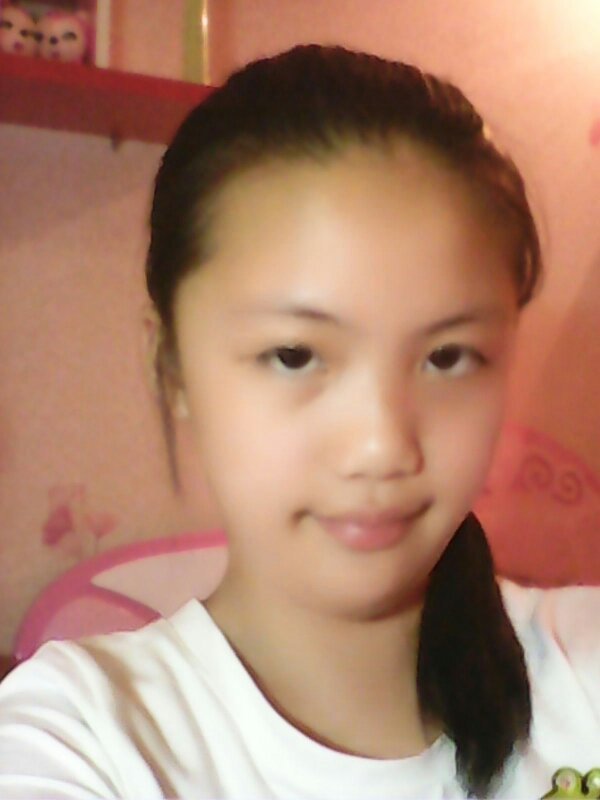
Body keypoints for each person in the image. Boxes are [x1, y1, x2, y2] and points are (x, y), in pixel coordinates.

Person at [0, 44, 598, 800]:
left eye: (448, 357)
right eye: (293, 355)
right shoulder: (81, 737)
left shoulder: (583, 660)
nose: (381, 446)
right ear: (172, 365)